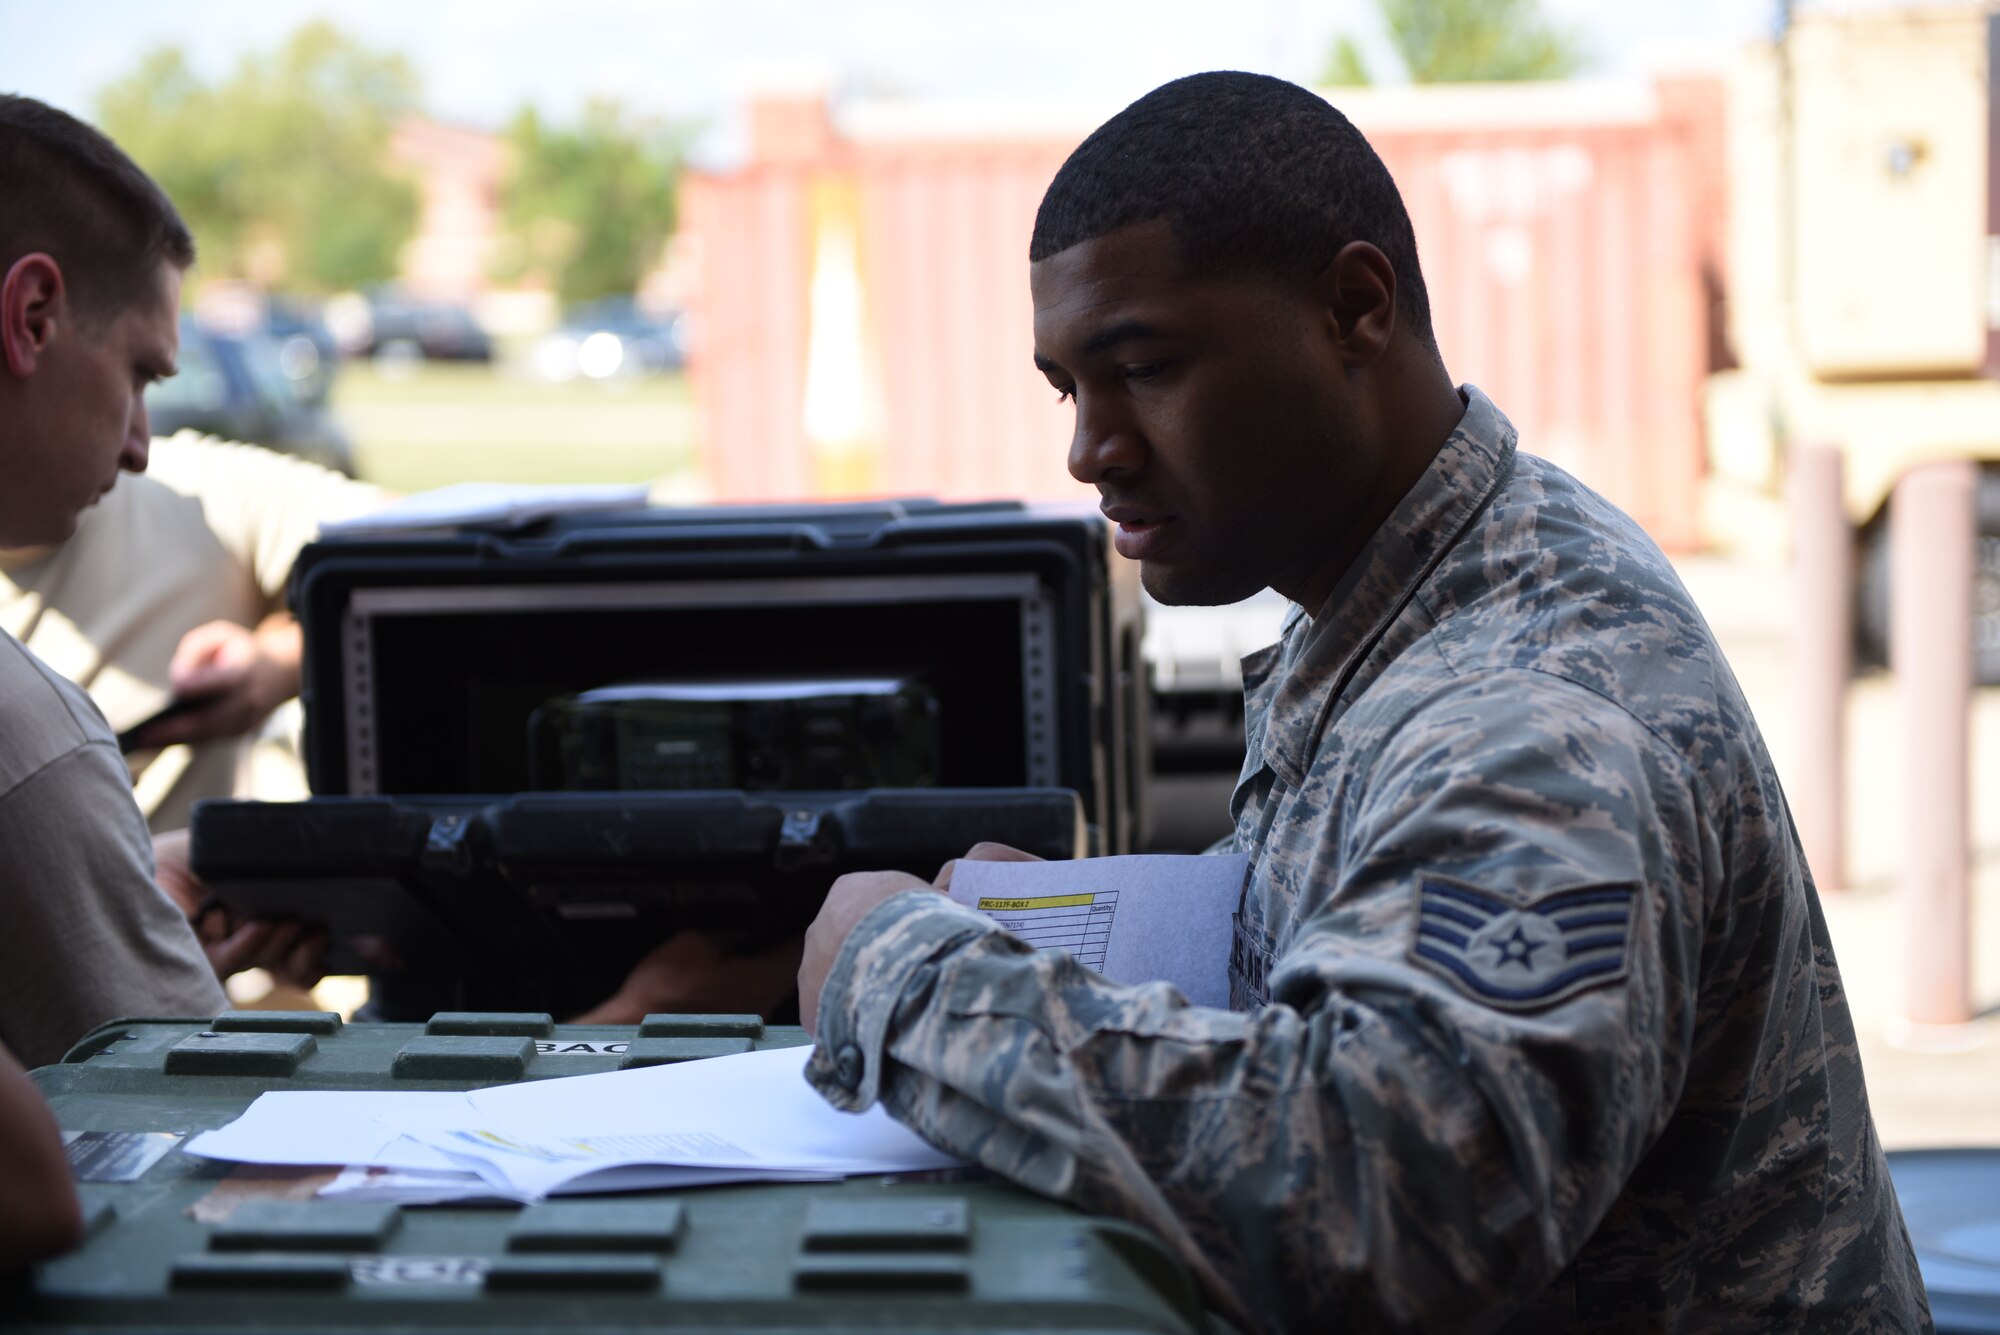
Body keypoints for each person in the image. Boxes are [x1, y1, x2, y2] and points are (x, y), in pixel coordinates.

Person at [794, 73, 1928, 1332]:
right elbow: (1351, 942)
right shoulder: (1426, 582)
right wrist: (1064, 932)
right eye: (1070, 388)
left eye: (1145, 368)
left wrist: (905, 978)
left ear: (1352, 309)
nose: (1089, 449)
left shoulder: (1526, 709)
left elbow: (1384, 1210)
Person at [0, 93, 229, 1067]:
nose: (140, 447)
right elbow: (208, 1147)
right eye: (139, 374)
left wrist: (126, 889)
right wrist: (630, 1020)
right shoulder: (26, 739)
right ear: (34, 316)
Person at [1, 431, 387, 832]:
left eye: (147, 380)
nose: (138, 448)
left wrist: (281, 660)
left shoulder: (194, 490)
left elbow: (429, 540)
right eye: (133, 377)